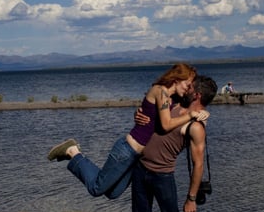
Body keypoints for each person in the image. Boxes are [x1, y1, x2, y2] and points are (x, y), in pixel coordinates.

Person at [47, 63, 210, 199]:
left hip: (138, 157)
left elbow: (184, 108)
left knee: (113, 193)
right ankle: (73, 152)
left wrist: (202, 114)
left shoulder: (173, 98)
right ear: (177, 79)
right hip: (127, 150)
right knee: (97, 189)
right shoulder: (161, 91)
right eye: (187, 84)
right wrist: (192, 115)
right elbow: (167, 124)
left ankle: (79, 158)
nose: (189, 88)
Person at [131, 75, 217, 212]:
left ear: (196, 94)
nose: (185, 88)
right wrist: (139, 115)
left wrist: (191, 198)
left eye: (190, 87)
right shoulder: (171, 105)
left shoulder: (196, 127)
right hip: (140, 169)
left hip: (163, 176)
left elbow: (198, 165)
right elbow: (150, 112)